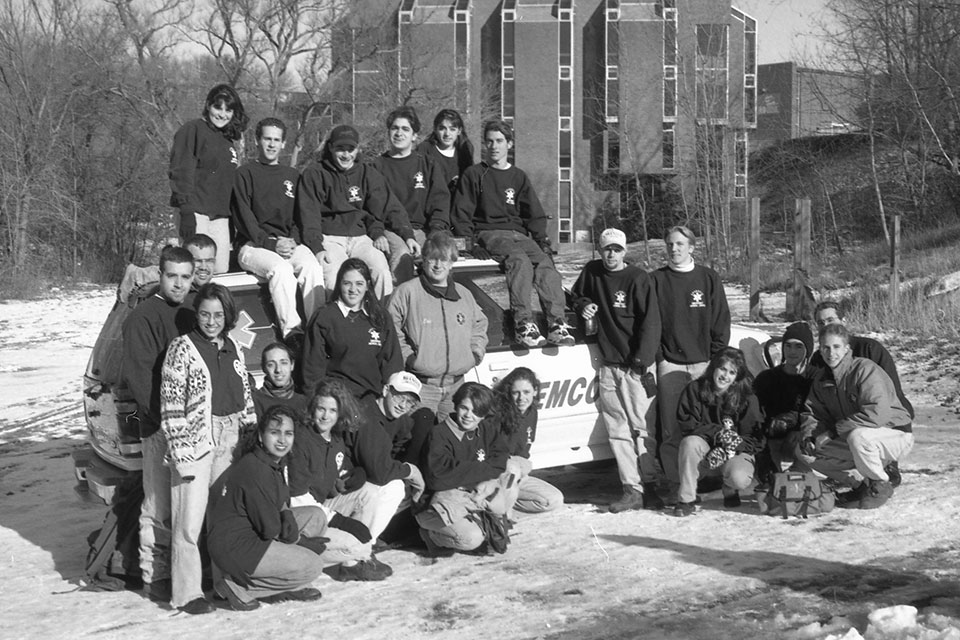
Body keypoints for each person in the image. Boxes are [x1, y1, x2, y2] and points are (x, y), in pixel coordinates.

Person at [160, 282, 257, 614]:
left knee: (225, 518)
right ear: (196, 314)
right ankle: (187, 594)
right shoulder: (181, 348)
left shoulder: (233, 347)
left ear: (227, 315)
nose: (211, 321)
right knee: (189, 521)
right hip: (197, 440)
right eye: (205, 314)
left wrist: (250, 440)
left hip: (232, 436)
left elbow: (244, 397)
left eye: (218, 315)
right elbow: (171, 406)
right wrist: (181, 454)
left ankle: (224, 584)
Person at [451, 118, 573, 349]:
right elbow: (461, 213)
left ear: (509, 144)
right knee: (519, 261)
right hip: (490, 233)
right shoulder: (475, 174)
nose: (494, 146)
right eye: (489, 142)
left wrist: (541, 240)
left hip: (519, 235)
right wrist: (469, 243)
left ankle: (557, 323)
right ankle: (523, 324)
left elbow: (533, 214)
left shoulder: (518, 176)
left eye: (499, 141)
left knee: (545, 264)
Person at [121, 246, 196, 603]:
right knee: (159, 507)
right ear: (160, 276)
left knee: (190, 505)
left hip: (196, 428)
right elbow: (139, 379)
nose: (179, 283)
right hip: (160, 428)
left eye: (185, 276)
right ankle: (157, 576)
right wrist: (166, 422)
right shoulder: (143, 317)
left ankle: (192, 570)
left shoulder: (197, 311)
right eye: (172, 276)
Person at [571, 228, 663, 512]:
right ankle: (631, 489)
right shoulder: (592, 272)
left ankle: (653, 485)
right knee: (617, 430)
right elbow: (575, 296)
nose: (611, 254)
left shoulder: (637, 278)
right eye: (607, 249)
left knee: (643, 429)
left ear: (625, 252)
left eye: (617, 249)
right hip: (608, 367)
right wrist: (584, 304)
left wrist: (641, 361)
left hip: (636, 367)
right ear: (600, 250)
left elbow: (652, 322)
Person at [206, 406, 323, 611]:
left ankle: (289, 581)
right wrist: (299, 541)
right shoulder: (255, 469)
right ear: (261, 436)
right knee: (313, 566)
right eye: (274, 432)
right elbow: (270, 529)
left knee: (316, 516)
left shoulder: (272, 462)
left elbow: (281, 504)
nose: (282, 440)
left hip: (250, 533)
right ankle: (238, 588)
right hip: (236, 546)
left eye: (288, 433)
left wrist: (287, 519)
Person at [652, 225, 731, 504]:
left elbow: (721, 321)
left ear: (692, 247)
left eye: (680, 244)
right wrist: (661, 357)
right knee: (672, 428)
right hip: (671, 366)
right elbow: (652, 324)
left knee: (709, 424)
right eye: (670, 244)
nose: (674, 249)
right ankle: (677, 484)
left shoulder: (708, 278)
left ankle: (713, 478)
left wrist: (715, 361)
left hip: (703, 365)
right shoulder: (657, 280)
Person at [797, 323, 913, 510]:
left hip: (894, 434)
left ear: (846, 348)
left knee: (858, 436)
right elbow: (813, 413)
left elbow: (877, 413)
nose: (831, 353)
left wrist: (833, 431)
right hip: (856, 439)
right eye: (826, 347)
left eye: (836, 347)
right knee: (802, 451)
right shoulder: (821, 380)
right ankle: (859, 484)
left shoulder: (864, 370)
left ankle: (880, 484)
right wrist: (810, 436)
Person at [287, 381, 394, 581]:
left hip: (321, 506)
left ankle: (352, 564)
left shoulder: (334, 438)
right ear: (312, 408)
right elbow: (297, 497)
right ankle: (354, 553)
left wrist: (356, 473)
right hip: (303, 518)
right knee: (354, 544)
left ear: (340, 413)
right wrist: (340, 520)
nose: (326, 416)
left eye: (332, 410)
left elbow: (340, 465)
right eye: (321, 409)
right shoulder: (302, 439)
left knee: (368, 492)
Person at [232, 117, 325, 341]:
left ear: (284, 143)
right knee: (281, 270)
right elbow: (245, 220)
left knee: (312, 267)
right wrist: (271, 243)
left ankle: (319, 332)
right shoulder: (244, 174)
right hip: (253, 246)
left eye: (277, 140)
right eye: (267, 139)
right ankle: (294, 334)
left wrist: (292, 240)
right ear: (257, 140)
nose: (272, 145)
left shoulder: (292, 176)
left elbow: (299, 217)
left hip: (288, 243)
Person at [387, 231, 488, 420]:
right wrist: (410, 358)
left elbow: (480, 324)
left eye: (443, 259)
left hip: (457, 387)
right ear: (423, 260)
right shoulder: (407, 293)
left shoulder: (464, 295)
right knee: (417, 442)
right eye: (432, 259)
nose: (437, 265)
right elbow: (390, 330)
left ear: (451, 263)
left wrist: (474, 354)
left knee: (448, 444)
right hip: (420, 387)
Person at [298, 124, 394, 298]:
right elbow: (309, 215)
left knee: (381, 269)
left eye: (351, 149)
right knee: (334, 276)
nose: (346, 154)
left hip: (361, 239)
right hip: (330, 238)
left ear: (358, 149)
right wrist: (317, 247)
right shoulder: (315, 174)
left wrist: (378, 234)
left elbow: (375, 213)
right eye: (340, 148)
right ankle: (336, 323)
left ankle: (384, 320)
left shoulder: (368, 174)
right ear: (330, 148)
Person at [416, 382, 514, 554]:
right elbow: (438, 476)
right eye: (464, 408)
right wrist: (483, 472)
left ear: (484, 415)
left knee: (511, 475)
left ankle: (485, 521)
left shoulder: (485, 428)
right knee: (471, 539)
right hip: (438, 503)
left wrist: (485, 478)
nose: (469, 415)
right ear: (456, 405)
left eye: (477, 411)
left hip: (471, 492)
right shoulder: (439, 434)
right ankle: (431, 535)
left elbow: (500, 458)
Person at [674, 348, 764, 517]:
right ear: (714, 367)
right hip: (704, 446)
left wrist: (734, 444)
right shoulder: (695, 389)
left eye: (732, 372)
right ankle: (686, 499)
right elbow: (687, 424)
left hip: (734, 451)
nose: (725, 376)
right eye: (722, 369)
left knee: (739, 477)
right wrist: (717, 433)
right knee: (689, 443)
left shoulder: (748, 398)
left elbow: (755, 437)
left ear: (737, 376)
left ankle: (729, 488)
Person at [169, 84, 249, 273]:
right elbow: (181, 170)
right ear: (207, 106)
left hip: (219, 218)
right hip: (196, 213)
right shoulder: (193, 129)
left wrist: (231, 220)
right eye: (217, 107)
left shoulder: (228, 141)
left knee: (220, 271)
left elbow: (226, 183)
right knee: (196, 271)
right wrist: (186, 211)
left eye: (228, 110)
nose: (222, 114)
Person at [301, 258, 403, 400]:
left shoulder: (380, 317)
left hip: (372, 399)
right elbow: (312, 369)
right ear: (339, 284)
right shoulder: (324, 317)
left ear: (367, 285)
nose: (353, 289)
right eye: (347, 283)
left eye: (359, 284)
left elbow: (392, 363)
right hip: (337, 401)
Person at [372, 106, 449, 284]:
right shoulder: (377, 166)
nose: (399, 133)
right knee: (403, 256)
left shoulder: (428, 164)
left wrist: (435, 233)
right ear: (389, 133)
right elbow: (375, 206)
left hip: (422, 230)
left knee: (439, 257)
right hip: (390, 231)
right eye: (395, 128)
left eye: (405, 129)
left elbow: (440, 202)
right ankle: (400, 309)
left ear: (414, 136)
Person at [810, 301, 913, 418]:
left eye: (830, 320)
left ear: (843, 321)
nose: (826, 326)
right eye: (820, 323)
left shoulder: (869, 349)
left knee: (856, 436)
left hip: (885, 419)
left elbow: (891, 393)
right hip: (847, 421)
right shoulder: (819, 358)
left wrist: (840, 429)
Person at [491, 368, 564, 514]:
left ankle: (502, 500)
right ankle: (500, 515)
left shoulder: (532, 412)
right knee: (512, 470)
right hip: (498, 473)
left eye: (526, 392)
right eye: (515, 392)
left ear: (535, 391)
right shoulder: (497, 412)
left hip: (516, 476)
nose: (521, 398)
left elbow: (524, 451)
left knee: (554, 500)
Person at [752, 322, 814, 479]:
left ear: (808, 350)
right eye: (788, 345)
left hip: (802, 440)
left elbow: (820, 415)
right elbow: (755, 417)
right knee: (773, 480)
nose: (792, 351)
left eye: (799, 346)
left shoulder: (814, 380)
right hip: (771, 440)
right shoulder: (766, 379)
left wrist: (799, 430)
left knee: (799, 482)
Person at [116, 234, 217, 308]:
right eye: (198, 261)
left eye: (209, 261)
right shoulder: (169, 294)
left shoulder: (214, 294)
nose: (204, 266)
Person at [418, 108, 474, 209]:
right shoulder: (425, 149)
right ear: (435, 129)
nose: (447, 133)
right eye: (442, 128)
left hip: (456, 208)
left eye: (452, 129)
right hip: (430, 207)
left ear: (459, 131)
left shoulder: (464, 152)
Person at [252, 342, 307, 419]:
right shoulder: (254, 402)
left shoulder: (304, 402)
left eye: (284, 363)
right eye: (271, 364)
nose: (278, 369)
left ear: (292, 365)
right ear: (264, 368)